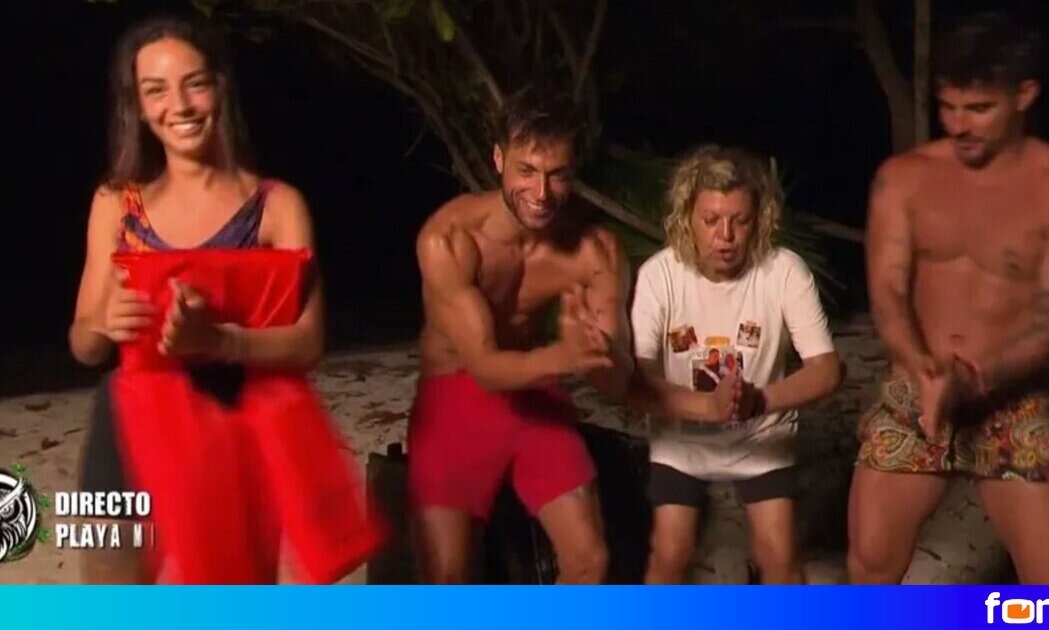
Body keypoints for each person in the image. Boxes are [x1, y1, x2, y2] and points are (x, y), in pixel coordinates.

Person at [68, 15, 359, 583]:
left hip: (238, 424)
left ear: (221, 88)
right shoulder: (116, 202)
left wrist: (220, 341)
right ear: (137, 106)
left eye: (195, 83)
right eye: (156, 90)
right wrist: (103, 321)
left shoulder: (277, 206)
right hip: (126, 428)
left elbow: (308, 344)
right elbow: (83, 345)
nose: (179, 105)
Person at [848, 10, 1049, 585]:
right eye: (948, 107)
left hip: (1011, 401)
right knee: (869, 564)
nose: (958, 124)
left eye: (979, 108)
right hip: (916, 385)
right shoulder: (903, 178)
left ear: (1024, 95)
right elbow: (887, 291)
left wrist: (973, 378)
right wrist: (921, 366)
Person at [409, 86, 633, 584]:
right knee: (446, 580)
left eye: (557, 174)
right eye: (526, 170)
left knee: (590, 562)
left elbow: (616, 381)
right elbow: (485, 368)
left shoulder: (596, 252)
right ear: (498, 160)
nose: (541, 192)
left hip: (534, 395)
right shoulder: (449, 239)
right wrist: (567, 356)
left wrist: (601, 352)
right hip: (454, 397)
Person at [626, 145, 842, 584]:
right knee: (670, 553)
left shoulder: (784, 271)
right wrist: (707, 407)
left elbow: (826, 369)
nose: (725, 235)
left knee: (778, 557)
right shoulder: (658, 275)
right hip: (681, 441)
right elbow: (638, 380)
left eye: (739, 220)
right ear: (687, 218)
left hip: (761, 438)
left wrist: (759, 401)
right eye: (711, 220)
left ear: (759, 219)